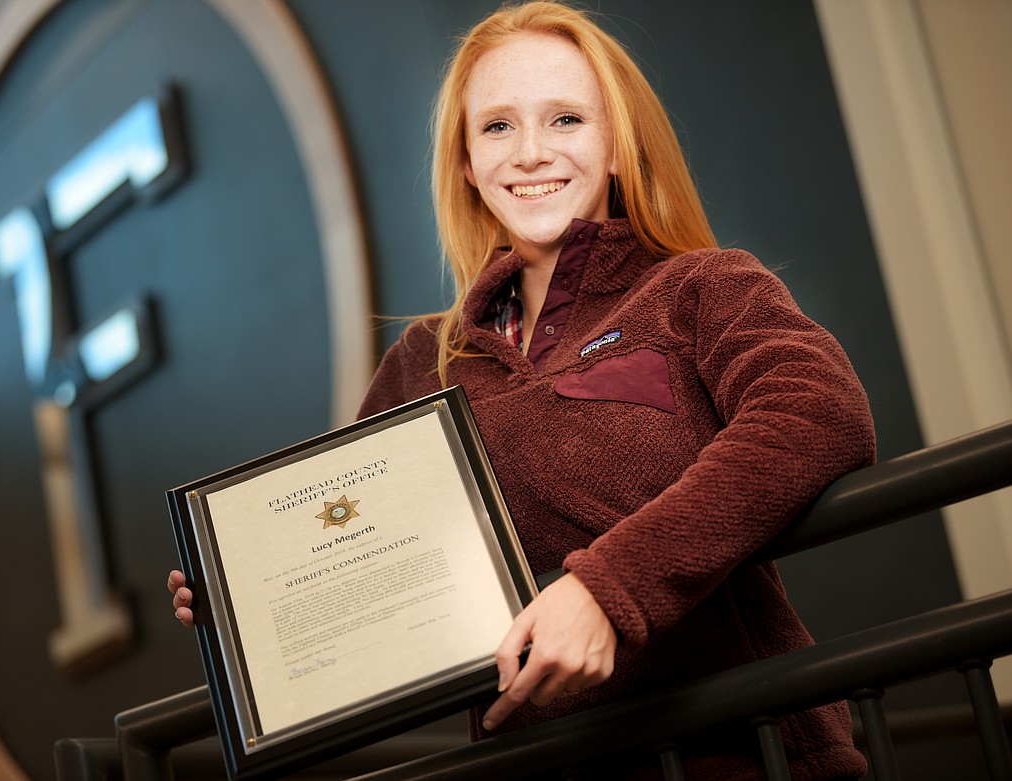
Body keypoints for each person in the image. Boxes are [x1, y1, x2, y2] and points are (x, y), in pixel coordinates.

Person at [170, 2, 875, 778]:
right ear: (467, 162)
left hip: (747, 751)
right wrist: (248, 594)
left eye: (566, 118)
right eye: (498, 127)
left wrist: (608, 590)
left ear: (615, 145)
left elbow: (819, 410)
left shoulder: (700, 288)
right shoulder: (421, 363)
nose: (530, 153)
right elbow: (361, 553)